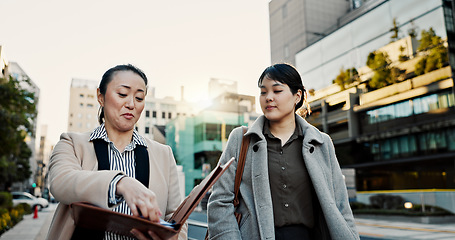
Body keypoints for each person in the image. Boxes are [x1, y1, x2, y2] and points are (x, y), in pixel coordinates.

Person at [207, 63, 359, 240]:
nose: (268, 97)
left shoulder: (322, 143)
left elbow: (341, 205)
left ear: (297, 96)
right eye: (263, 92)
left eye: (277, 91)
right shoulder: (241, 140)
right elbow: (220, 201)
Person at [46, 64, 187, 240]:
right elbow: (60, 183)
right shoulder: (72, 143)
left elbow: (177, 220)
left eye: (139, 98)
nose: (131, 104)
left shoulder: (163, 154)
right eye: (122, 94)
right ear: (100, 96)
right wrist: (121, 182)